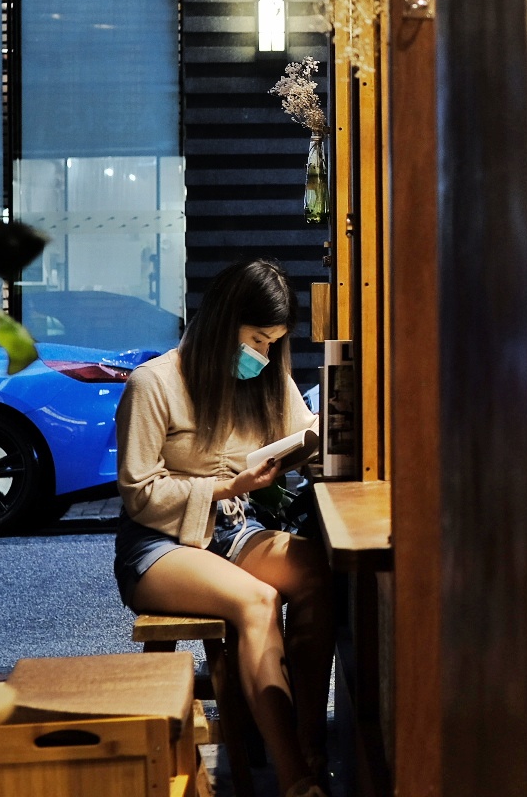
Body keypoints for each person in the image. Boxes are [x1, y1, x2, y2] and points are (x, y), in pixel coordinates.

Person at [113, 258, 332, 797]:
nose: (263, 355)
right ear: (223, 321)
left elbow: (304, 433)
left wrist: (322, 442)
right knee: (257, 601)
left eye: (273, 344)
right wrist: (228, 487)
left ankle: (310, 741)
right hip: (158, 545)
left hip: (233, 531)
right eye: (257, 340)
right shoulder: (153, 383)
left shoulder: (266, 380)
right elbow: (139, 493)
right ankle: (295, 779)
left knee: (316, 572)